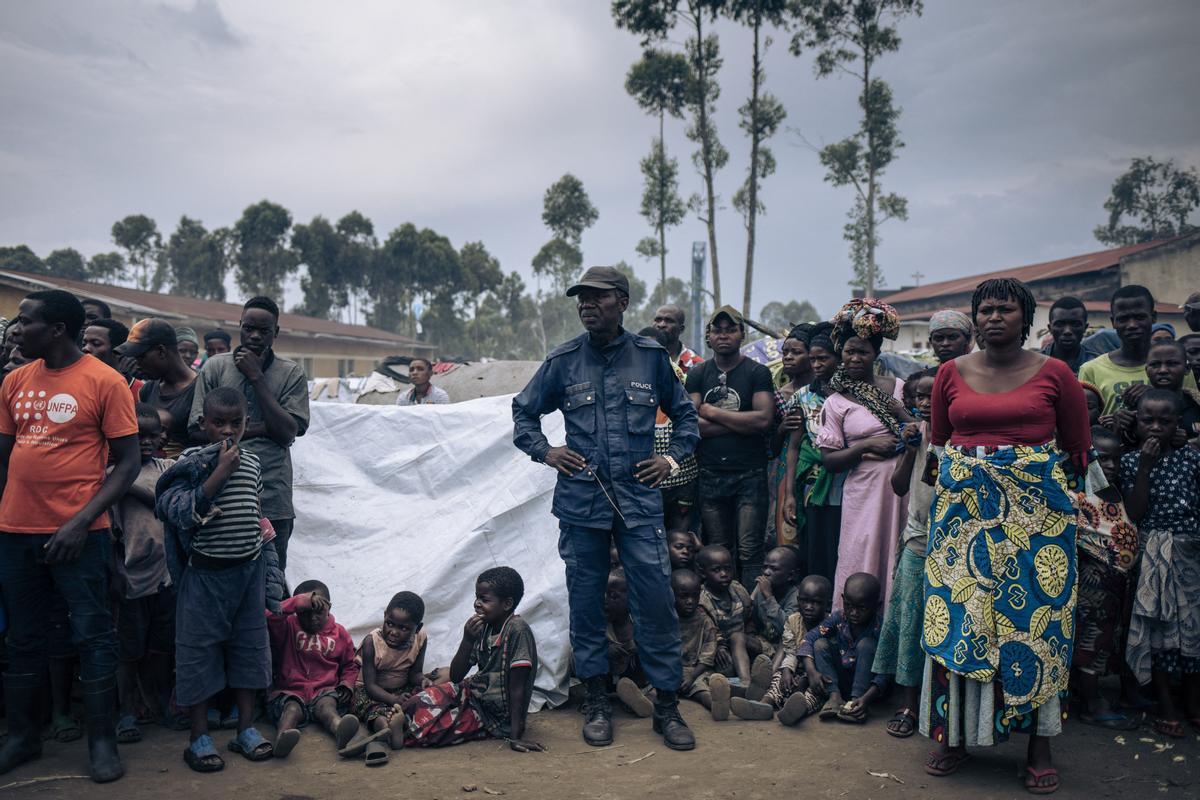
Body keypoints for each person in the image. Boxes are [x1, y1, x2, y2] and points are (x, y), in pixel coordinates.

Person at [512, 266, 700, 751]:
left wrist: (671, 457)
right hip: (581, 504)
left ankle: (666, 706)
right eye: (581, 299)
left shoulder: (651, 358)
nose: (586, 305)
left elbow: (686, 418)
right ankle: (597, 700)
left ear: (621, 301)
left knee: (654, 602)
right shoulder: (563, 360)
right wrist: (546, 451)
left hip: (638, 503)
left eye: (596, 298)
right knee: (587, 602)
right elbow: (523, 412)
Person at [921, 278, 1090, 795]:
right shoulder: (950, 373)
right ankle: (953, 737)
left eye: (1006, 310)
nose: (995, 317)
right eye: (986, 310)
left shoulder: (1056, 374)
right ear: (976, 320)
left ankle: (1040, 745)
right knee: (960, 616)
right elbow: (940, 443)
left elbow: (1078, 451)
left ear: (1026, 318)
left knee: (1037, 625)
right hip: (962, 515)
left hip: (1035, 520)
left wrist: (1019, 480)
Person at [0, 290, 139, 784]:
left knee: (93, 635)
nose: (17, 330)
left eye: (27, 321)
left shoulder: (104, 381)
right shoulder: (15, 380)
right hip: (16, 532)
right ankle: (22, 737)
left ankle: (101, 743)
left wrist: (80, 521)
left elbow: (128, 463)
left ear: (57, 329)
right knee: (22, 637)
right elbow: (5, 455)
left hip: (80, 536)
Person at [161, 387, 273, 772]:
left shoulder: (254, 463)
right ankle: (199, 737)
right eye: (219, 423)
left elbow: (257, 514)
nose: (228, 430)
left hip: (248, 573)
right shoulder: (192, 461)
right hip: (205, 575)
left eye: (236, 423)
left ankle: (245, 730)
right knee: (197, 653)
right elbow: (175, 511)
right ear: (203, 424)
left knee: (249, 648)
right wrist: (219, 473)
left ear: (246, 424)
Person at [190, 296, 310, 573]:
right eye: (248, 328)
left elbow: (289, 433)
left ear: (275, 333)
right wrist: (264, 428)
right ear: (239, 327)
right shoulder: (215, 368)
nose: (255, 336)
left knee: (270, 578)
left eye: (264, 331)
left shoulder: (290, 373)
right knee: (219, 573)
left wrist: (256, 378)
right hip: (220, 494)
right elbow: (195, 430)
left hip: (271, 495)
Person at [816, 299, 915, 608]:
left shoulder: (898, 389)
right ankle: (853, 622)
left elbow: (919, 429)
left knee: (898, 551)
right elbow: (829, 460)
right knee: (860, 552)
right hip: (862, 489)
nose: (855, 358)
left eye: (863, 352)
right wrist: (865, 446)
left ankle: (892, 625)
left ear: (876, 355)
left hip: (901, 484)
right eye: (849, 352)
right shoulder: (835, 402)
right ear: (840, 355)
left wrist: (902, 417)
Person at [1122, 389, 1200, 739]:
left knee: (1192, 632)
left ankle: (1193, 703)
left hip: (1190, 554)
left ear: (1177, 424)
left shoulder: (1192, 459)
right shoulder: (1129, 461)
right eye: (1147, 420)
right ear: (1135, 422)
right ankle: (1166, 704)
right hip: (1153, 554)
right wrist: (1145, 467)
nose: (1155, 428)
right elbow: (1135, 514)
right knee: (1159, 633)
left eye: (1164, 421)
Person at [397, 567, 543, 752]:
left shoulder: (517, 631)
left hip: (494, 717)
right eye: (477, 597)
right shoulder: (483, 627)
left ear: (507, 604)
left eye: (484, 599)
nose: (477, 604)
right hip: (472, 693)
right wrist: (468, 640)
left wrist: (515, 736)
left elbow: (517, 688)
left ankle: (396, 735)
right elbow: (457, 675)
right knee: (417, 702)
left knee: (433, 731)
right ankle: (390, 725)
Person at [686, 305, 775, 585]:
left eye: (731, 330)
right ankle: (724, 614)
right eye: (717, 330)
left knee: (750, 552)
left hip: (750, 475)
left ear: (742, 335)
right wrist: (739, 423)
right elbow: (691, 425)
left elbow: (763, 420)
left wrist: (711, 413)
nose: (724, 335)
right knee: (719, 551)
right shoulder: (698, 374)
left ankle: (752, 614)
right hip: (710, 475)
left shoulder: (757, 373)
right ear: (709, 337)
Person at [872, 368, 936, 739]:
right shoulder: (916, 435)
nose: (925, 403)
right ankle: (909, 701)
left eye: (933, 395)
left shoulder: (961, 436)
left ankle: (936, 702)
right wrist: (912, 451)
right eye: (919, 397)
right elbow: (899, 486)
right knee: (911, 622)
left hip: (954, 543)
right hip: (918, 539)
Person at [111, 404, 176, 745]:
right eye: (139, 436)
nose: (147, 442)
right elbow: (109, 534)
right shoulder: (110, 475)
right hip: (131, 577)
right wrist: (116, 573)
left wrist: (126, 485)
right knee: (128, 650)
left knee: (160, 648)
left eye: (153, 435)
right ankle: (126, 711)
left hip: (166, 577)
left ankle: (159, 703)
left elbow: (165, 502)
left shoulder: (165, 468)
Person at [1070, 426, 1141, 731]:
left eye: (1116, 459)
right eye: (1103, 459)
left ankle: (1087, 698)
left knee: (1101, 645)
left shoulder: (1116, 491)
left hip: (1112, 586)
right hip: (1092, 587)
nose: (1110, 466)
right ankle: (1091, 704)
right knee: (1091, 647)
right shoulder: (1078, 494)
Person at [268, 580, 362, 759]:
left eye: (318, 611)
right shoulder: (288, 625)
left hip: (323, 691)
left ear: (329, 607)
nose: (312, 618)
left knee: (327, 708)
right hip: (290, 690)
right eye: (305, 613)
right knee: (291, 710)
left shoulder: (339, 633)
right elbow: (269, 615)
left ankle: (339, 729)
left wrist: (346, 683)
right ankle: (282, 737)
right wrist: (297, 602)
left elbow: (350, 664)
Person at [781, 324, 843, 582]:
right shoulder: (803, 397)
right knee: (815, 545)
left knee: (841, 543)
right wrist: (789, 495)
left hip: (846, 481)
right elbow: (794, 447)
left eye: (823, 358)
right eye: (814, 358)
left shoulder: (852, 395)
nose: (816, 364)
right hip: (812, 484)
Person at [1079, 285, 1197, 415]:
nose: (1132, 325)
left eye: (1139, 317)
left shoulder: (1176, 365)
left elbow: (1191, 411)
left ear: (1153, 317)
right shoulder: (1091, 370)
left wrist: (1155, 394)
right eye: (1123, 319)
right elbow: (1084, 421)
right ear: (1113, 322)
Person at [798, 572, 886, 723]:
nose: (853, 613)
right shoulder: (838, 618)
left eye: (862, 608)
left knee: (867, 644)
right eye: (849, 605)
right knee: (820, 644)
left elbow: (886, 671)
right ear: (843, 600)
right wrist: (811, 671)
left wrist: (866, 698)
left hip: (868, 689)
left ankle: (856, 703)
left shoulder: (881, 628)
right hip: (840, 682)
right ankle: (835, 698)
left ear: (877, 606)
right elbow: (808, 639)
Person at [351, 591, 428, 762]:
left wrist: (423, 680)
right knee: (372, 708)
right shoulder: (373, 642)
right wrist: (393, 699)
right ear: (384, 616)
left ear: (418, 628)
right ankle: (385, 728)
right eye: (390, 624)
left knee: (423, 697)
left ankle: (395, 724)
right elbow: (370, 685)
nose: (393, 632)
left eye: (403, 628)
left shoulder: (421, 638)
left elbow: (415, 673)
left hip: (401, 689)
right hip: (372, 691)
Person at [637, 326, 698, 533]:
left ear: (664, 351)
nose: (647, 354)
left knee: (679, 539)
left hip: (681, 477)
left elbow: (688, 421)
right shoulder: (627, 380)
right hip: (644, 479)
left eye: (654, 349)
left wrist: (670, 460)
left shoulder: (677, 377)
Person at [118, 319, 202, 459]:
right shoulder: (148, 389)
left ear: (161, 351)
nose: (137, 364)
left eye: (141, 357)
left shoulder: (200, 388)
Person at [762, 575, 833, 724]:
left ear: (827, 604)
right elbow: (791, 651)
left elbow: (827, 660)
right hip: (797, 670)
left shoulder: (832, 624)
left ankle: (798, 711)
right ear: (798, 600)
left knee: (816, 692)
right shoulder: (793, 620)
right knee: (780, 679)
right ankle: (764, 704)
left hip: (819, 675)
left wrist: (806, 680)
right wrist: (788, 670)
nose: (808, 606)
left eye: (816, 602)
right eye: (804, 601)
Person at [695, 544, 755, 719]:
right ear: (703, 572)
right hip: (719, 652)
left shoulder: (737, 589)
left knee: (738, 637)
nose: (724, 574)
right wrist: (720, 646)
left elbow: (749, 615)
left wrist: (750, 634)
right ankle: (739, 688)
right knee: (713, 674)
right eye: (717, 570)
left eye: (728, 569)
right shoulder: (702, 599)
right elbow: (708, 629)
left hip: (743, 644)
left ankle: (746, 683)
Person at [770, 325, 815, 547]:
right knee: (788, 532)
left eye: (796, 352)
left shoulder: (824, 391)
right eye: (785, 352)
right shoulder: (780, 395)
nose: (788, 357)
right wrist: (781, 428)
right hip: (785, 469)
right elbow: (771, 446)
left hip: (817, 468)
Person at [671, 569, 720, 716]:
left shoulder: (705, 621)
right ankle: (642, 704)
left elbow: (708, 655)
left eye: (695, 596)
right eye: (684, 596)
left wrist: (691, 677)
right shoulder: (665, 620)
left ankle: (717, 706)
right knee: (654, 689)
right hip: (669, 670)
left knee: (702, 690)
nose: (690, 601)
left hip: (695, 671)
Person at [82, 318, 143, 399]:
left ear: (118, 351)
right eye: (84, 343)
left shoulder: (140, 391)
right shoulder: (75, 383)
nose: (86, 348)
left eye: (96, 344)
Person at [1041, 297, 1090, 375]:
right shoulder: (1034, 364)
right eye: (1060, 324)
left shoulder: (1098, 365)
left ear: (1085, 328)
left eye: (1075, 324)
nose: (1067, 331)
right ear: (1050, 328)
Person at [653, 304, 703, 373]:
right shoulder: (641, 358)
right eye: (658, 320)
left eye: (669, 321)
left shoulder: (697, 365)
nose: (661, 325)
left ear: (681, 329)